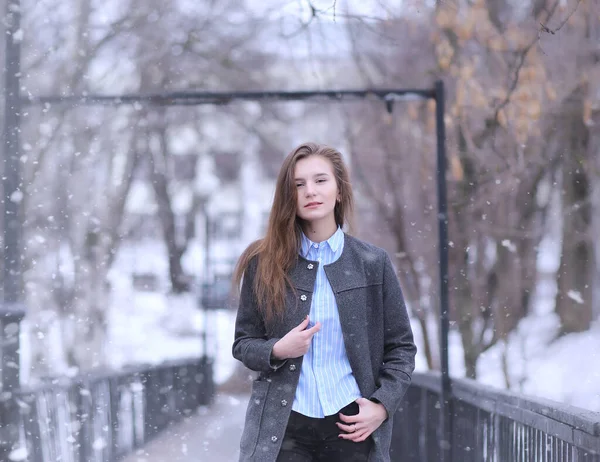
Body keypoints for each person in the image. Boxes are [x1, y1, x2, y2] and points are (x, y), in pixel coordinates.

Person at [232, 142, 416, 462]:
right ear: (288, 196)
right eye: (298, 184)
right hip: (284, 424)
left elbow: (401, 347)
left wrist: (382, 405)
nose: (310, 191)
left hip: (350, 423)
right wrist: (277, 350)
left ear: (339, 191)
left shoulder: (372, 262)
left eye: (320, 180)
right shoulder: (263, 263)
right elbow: (243, 343)